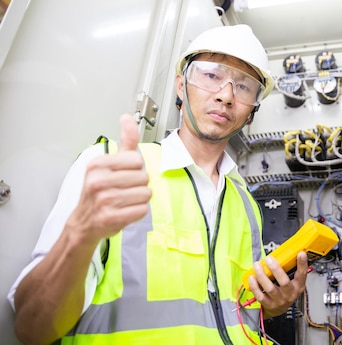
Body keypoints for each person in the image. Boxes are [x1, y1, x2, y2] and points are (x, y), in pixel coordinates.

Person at [8, 24, 309, 344]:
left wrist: (275, 306)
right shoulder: (112, 167)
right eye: (211, 76)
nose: (226, 95)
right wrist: (79, 237)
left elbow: (240, 309)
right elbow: (34, 328)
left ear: (252, 112)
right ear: (181, 86)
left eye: (245, 86)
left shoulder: (245, 202)